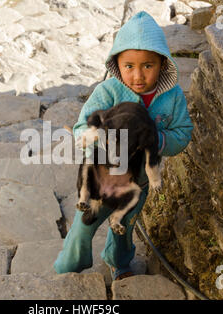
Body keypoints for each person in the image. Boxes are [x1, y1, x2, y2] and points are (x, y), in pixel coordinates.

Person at [53, 11, 194, 280]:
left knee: (125, 226)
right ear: (117, 63)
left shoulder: (172, 97)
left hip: (137, 184)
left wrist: (159, 140)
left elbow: (183, 132)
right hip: (102, 180)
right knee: (84, 226)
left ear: (163, 64)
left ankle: (119, 262)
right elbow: (82, 128)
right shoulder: (107, 92)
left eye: (148, 66)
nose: (138, 76)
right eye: (129, 66)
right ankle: (68, 270)